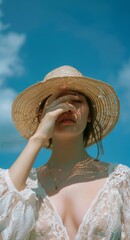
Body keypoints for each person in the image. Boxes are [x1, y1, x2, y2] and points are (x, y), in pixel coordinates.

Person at [0, 65, 130, 240]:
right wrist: (38, 137)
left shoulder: (120, 180)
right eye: (56, 102)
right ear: (42, 115)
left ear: (90, 114)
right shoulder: (25, 185)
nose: (67, 109)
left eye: (76, 101)